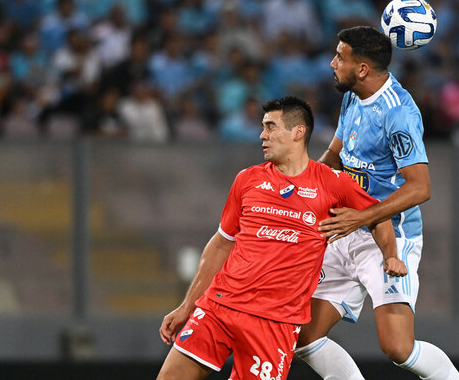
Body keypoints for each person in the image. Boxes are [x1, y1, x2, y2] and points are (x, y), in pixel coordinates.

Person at [156, 96, 407, 380]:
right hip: (220, 307)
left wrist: (390, 256)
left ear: (298, 132)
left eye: (271, 127)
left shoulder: (333, 183)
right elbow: (221, 243)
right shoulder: (247, 179)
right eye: (263, 128)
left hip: (275, 324)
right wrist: (187, 306)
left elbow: (378, 217)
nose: (262, 135)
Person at [294, 26, 459, 380]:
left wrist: (361, 218)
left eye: (340, 57)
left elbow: (420, 188)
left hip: (389, 237)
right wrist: (303, 187)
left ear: (362, 69)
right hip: (346, 230)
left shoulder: (398, 114)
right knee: (300, 335)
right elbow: (336, 155)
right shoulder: (353, 95)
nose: (331, 63)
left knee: (398, 348)